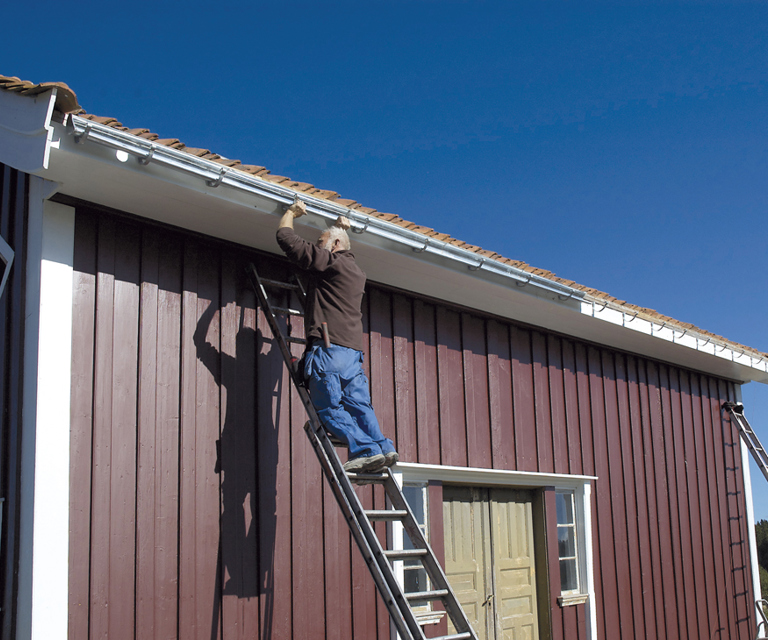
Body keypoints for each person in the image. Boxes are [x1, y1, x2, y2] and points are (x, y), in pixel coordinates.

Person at [276, 200, 398, 473]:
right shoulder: (356, 272)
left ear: (334, 246)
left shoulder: (330, 263)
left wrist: (290, 213)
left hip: (329, 350)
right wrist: (340, 228)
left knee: (329, 407)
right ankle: (384, 447)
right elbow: (339, 242)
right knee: (359, 405)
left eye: (321, 241)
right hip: (351, 355)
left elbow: (287, 239)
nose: (318, 245)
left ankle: (366, 450)